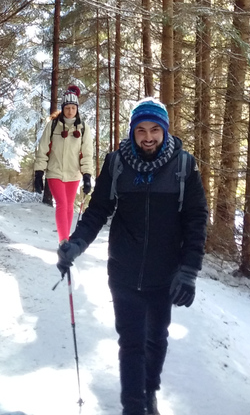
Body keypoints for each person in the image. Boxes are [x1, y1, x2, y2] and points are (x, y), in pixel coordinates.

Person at [56, 97, 208, 415]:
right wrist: (76, 244)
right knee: (131, 341)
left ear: (165, 131)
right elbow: (98, 210)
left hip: (164, 272)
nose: (148, 136)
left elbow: (196, 220)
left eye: (155, 129)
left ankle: (149, 390)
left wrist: (189, 270)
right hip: (123, 271)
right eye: (141, 130)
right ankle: (133, 406)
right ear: (132, 132)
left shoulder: (184, 166)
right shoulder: (117, 164)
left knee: (156, 338)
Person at [33, 85, 95, 242]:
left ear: (77, 109)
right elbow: (42, 150)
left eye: (73, 108)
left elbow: (87, 154)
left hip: (73, 174)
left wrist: (87, 175)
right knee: (61, 203)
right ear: (63, 108)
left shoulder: (83, 128)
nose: (70, 111)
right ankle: (63, 241)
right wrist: (39, 173)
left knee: (69, 206)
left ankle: (66, 239)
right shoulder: (53, 126)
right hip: (55, 172)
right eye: (67, 107)